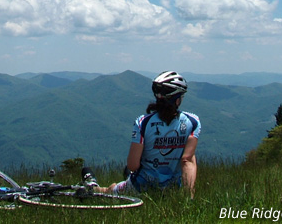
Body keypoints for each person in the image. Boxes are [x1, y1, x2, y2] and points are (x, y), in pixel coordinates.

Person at [83, 71, 201, 199]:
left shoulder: (143, 122)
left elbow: (133, 165)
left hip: (141, 186)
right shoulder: (193, 122)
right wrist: (189, 198)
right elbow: (186, 161)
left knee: (111, 190)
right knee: (189, 154)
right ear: (177, 100)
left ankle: (93, 188)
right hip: (173, 189)